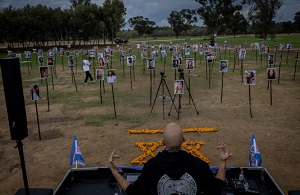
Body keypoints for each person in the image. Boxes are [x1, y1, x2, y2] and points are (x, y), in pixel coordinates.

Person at [109, 123, 232, 195]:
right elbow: (216, 189)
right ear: (184, 141)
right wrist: (222, 162)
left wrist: (115, 172)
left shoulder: (151, 166)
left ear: (162, 142)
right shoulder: (199, 165)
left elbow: (134, 192)